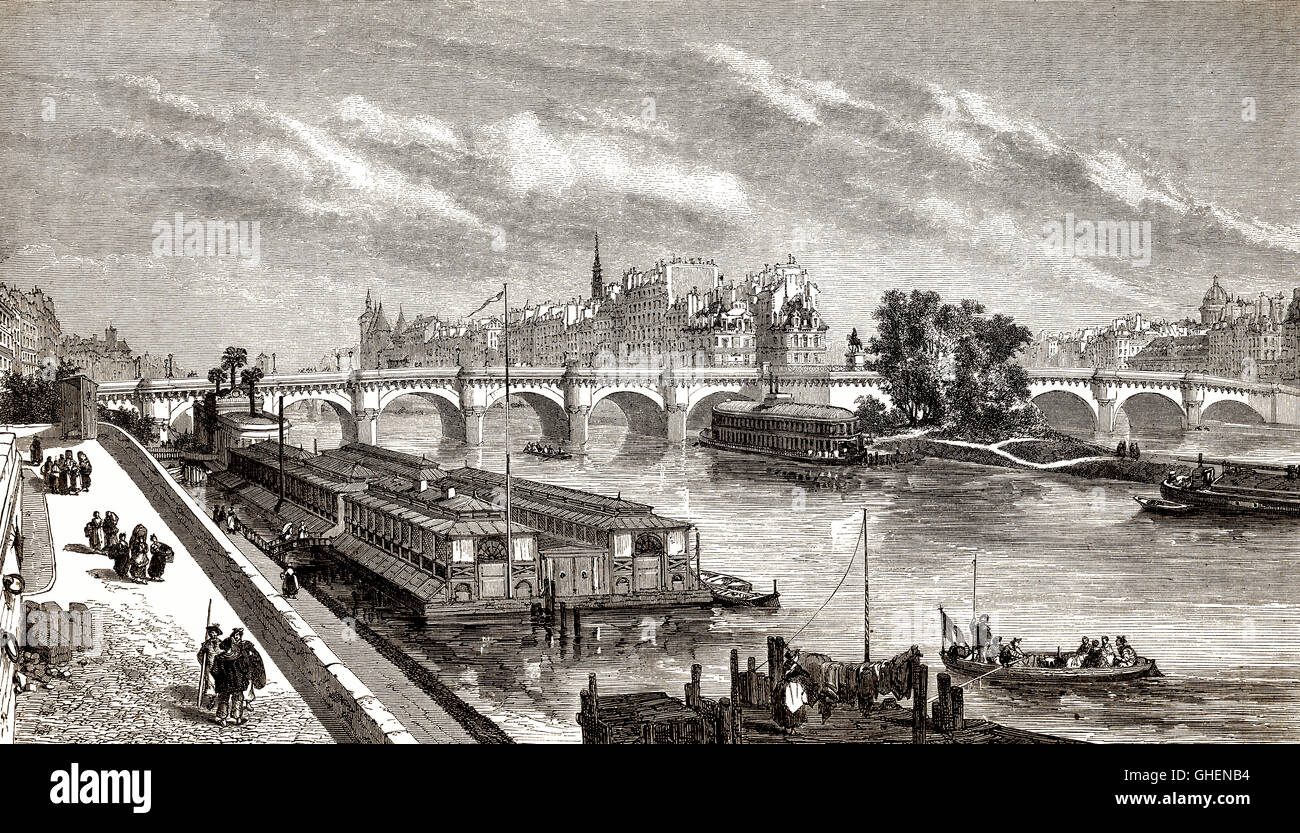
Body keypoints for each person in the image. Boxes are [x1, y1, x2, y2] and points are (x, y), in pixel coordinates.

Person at [211, 635, 250, 727]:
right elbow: (245, 669)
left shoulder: (219, 658)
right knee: (238, 699)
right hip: (237, 683)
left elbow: (214, 671)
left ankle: (222, 719)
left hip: (224, 684)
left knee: (223, 700)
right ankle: (237, 718)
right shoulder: (239, 657)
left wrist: (220, 678)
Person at [197, 623, 224, 709]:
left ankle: (222, 702)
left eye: (213, 632)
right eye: (210, 633)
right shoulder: (206, 644)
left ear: (217, 633)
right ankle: (212, 700)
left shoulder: (222, 643)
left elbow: (225, 654)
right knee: (210, 683)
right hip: (209, 667)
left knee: (220, 683)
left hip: (220, 667)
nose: (212, 634)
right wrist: (203, 660)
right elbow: (200, 655)